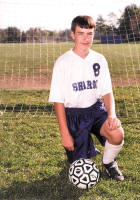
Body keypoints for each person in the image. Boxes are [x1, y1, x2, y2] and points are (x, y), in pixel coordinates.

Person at [49, 15, 124, 181]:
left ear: (94, 34)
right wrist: (65, 134)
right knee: (78, 164)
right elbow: (58, 100)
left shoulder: (99, 59)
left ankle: (109, 162)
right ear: (72, 35)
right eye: (81, 33)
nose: (85, 38)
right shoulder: (63, 63)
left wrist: (112, 115)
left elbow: (107, 91)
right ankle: (81, 149)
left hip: (96, 109)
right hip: (74, 115)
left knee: (117, 134)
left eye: (89, 33)